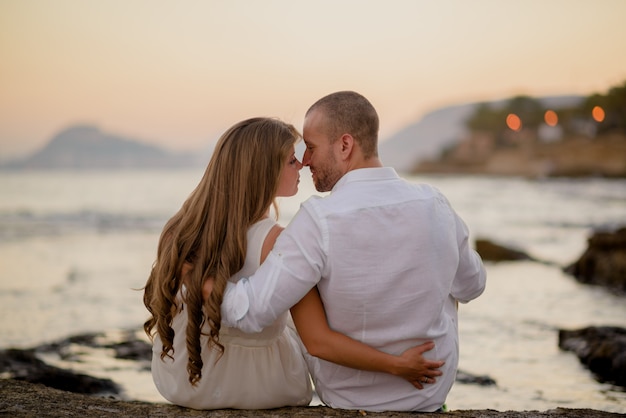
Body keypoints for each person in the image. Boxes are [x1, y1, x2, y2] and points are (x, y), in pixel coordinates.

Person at [143, 117, 444, 410]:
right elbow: (319, 341)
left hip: (183, 377)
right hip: (260, 385)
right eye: (291, 160)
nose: (302, 164)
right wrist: (397, 365)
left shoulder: (181, 229)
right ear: (263, 172)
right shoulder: (278, 241)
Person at [218, 92, 487, 412]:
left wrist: (202, 286)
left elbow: (251, 312)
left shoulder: (318, 220)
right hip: (428, 396)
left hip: (349, 401)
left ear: (345, 146)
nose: (305, 161)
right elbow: (473, 285)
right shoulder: (435, 204)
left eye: (312, 148)